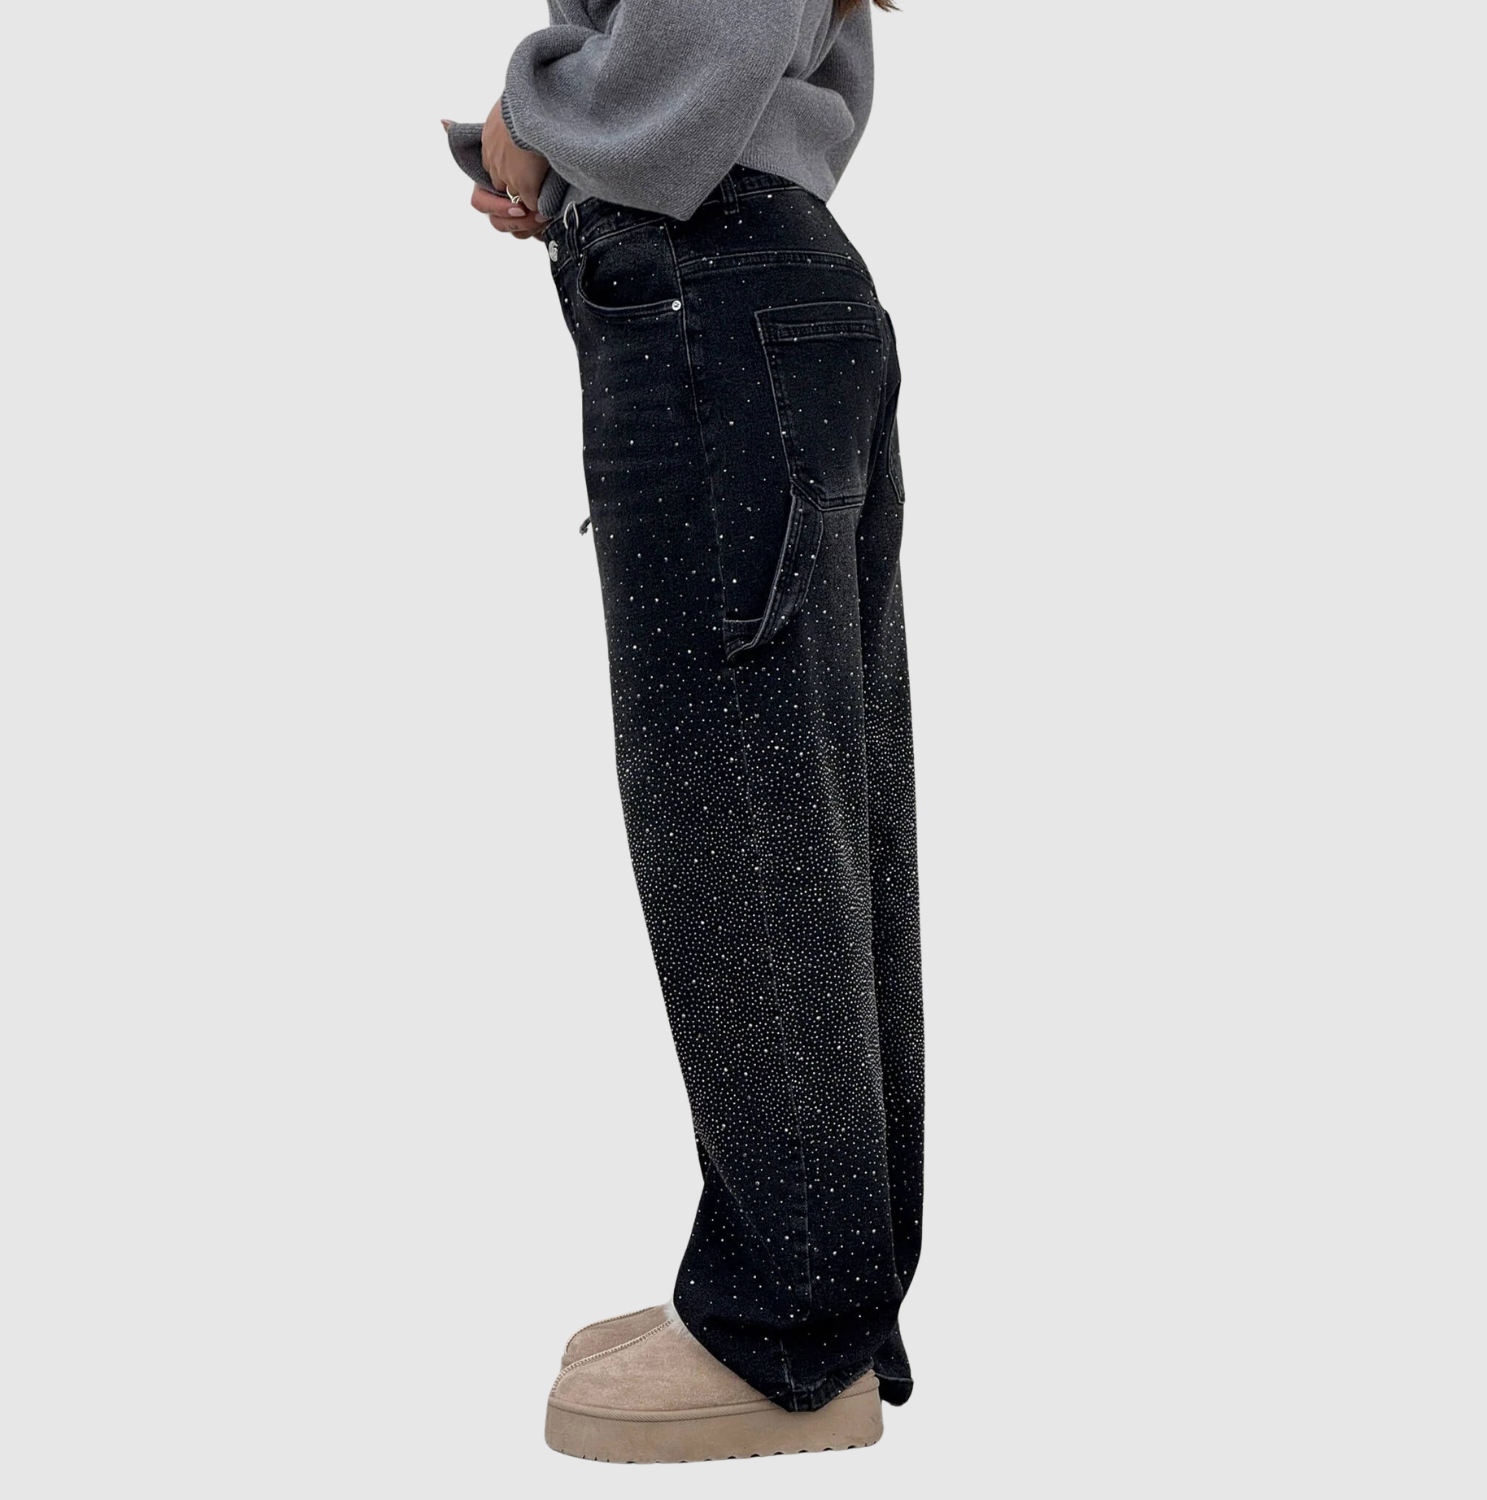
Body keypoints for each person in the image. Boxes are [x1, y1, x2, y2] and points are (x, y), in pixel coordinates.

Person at [445, 0, 922, 1464]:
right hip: (750, 278)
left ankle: (788, 1331)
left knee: (741, 817)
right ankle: (813, 1295)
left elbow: (700, 33)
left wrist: (549, 116)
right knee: (811, 811)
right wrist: (583, 150)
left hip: (708, 281)